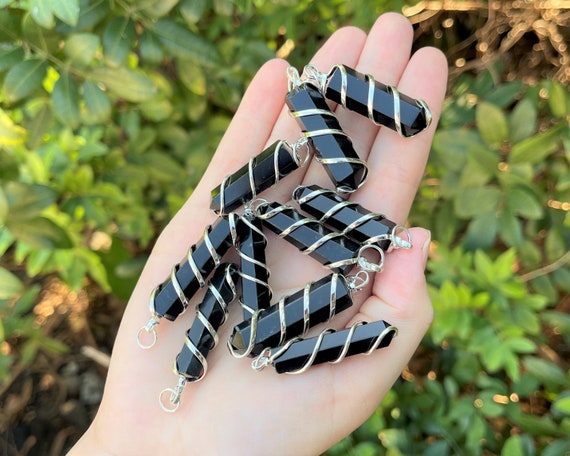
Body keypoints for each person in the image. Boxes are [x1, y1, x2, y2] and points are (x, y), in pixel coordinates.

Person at [68, 12, 447, 455]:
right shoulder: (276, 236)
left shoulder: (303, 209)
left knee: (304, 216)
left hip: (304, 244)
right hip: (287, 263)